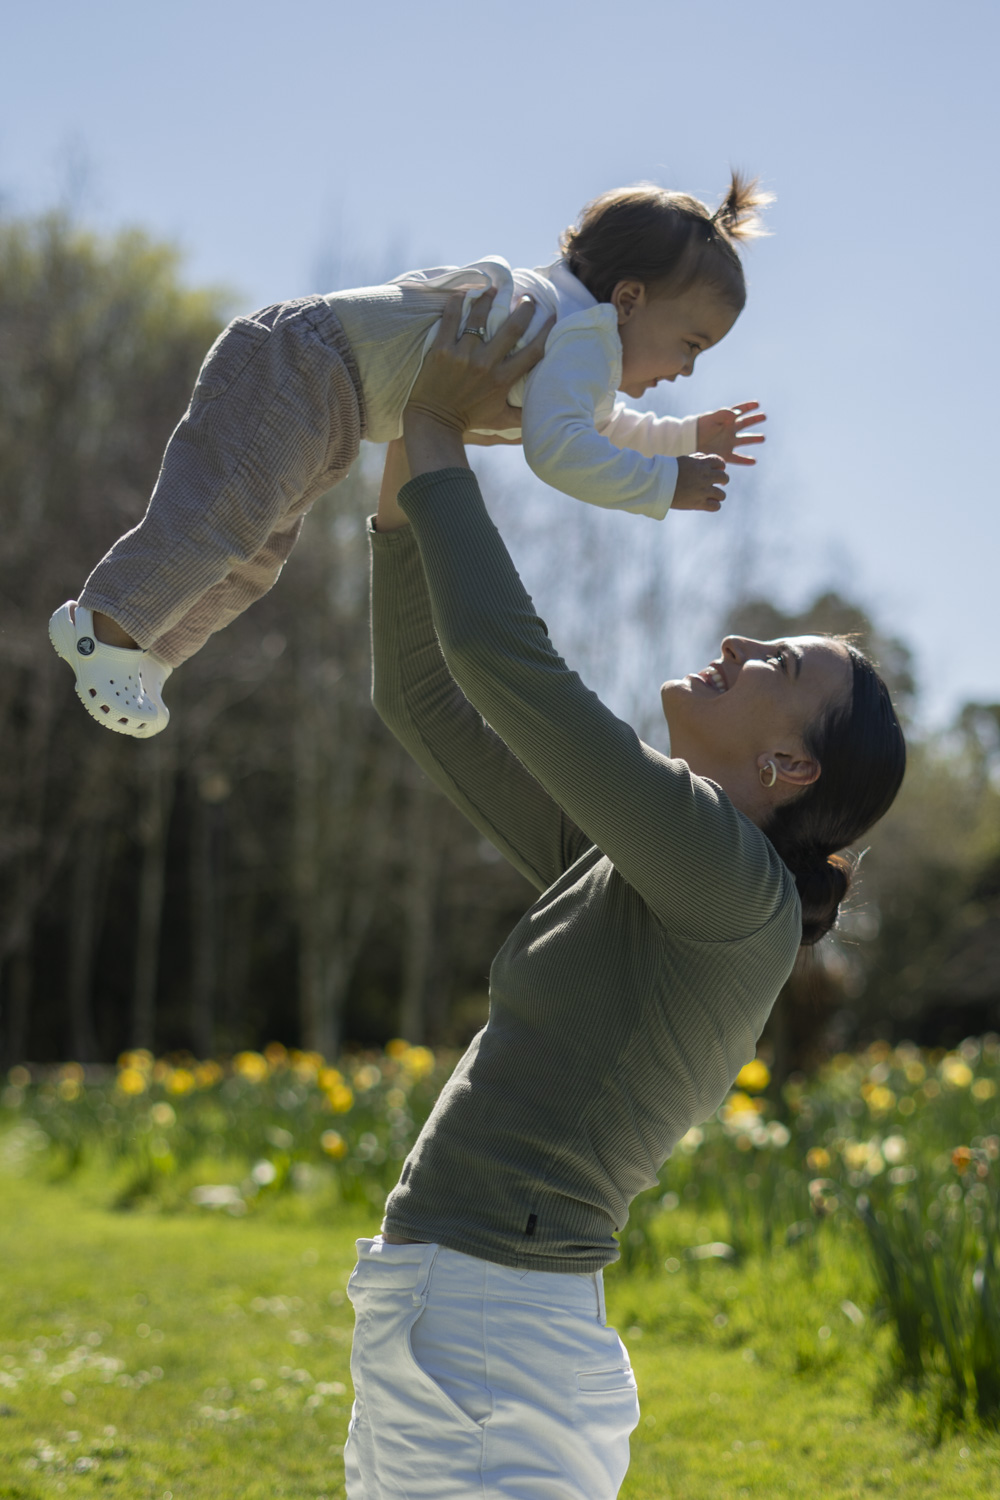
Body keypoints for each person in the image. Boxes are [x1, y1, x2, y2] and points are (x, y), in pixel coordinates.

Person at [345, 291, 906, 1499]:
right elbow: (427, 704)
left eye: (783, 667)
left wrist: (441, 429)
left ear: (788, 769)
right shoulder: (644, 869)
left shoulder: (727, 880)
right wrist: (402, 492)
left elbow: (508, 664)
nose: (745, 647)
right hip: (453, 1307)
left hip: (495, 1335)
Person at [48, 173, 770, 737]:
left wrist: (682, 437)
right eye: (691, 345)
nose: (687, 370)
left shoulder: (575, 334)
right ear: (631, 299)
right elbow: (562, 451)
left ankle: (145, 655)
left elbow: (602, 425)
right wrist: (663, 481)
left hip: (334, 400)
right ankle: (103, 627)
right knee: (224, 521)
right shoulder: (582, 334)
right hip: (304, 364)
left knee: (256, 555)